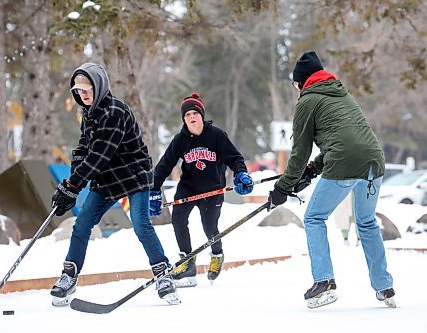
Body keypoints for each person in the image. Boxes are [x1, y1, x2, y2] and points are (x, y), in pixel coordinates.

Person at [267, 51, 395, 309]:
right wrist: (313, 169)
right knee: (367, 222)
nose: (296, 89)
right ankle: (384, 287)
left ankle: (324, 282)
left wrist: (283, 186)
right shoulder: (342, 94)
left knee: (314, 218)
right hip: (373, 162)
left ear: (302, 82)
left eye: (295, 84)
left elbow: (300, 151)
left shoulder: (307, 101)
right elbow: (346, 141)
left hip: (345, 164)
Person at [50, 63, 179, 306]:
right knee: (82, 225)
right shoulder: (89, 112)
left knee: (141, 225)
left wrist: (72, 185)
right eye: (78, 91)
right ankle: (69, 276)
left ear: (98, 87)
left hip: (132, 176)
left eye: (87, 90)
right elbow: (86, 147)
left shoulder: (114, 112)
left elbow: (100, 155)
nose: (83, 95)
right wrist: (75, 166)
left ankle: (163, 274)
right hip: (106, 180)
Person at [149, 93, 253, 287]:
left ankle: (217, 253)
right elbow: (164, 165)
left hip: (212, 189)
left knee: (209, 227)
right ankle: (187, 263)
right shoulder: (180, 140)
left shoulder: (217, 135)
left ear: (202, 115)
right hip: (188, 187)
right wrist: (154, 189)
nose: (191, 117)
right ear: (184, 119)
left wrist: (240, 174)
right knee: (178, 220)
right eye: (187, 114)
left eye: (195, 113)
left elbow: (235, 158)